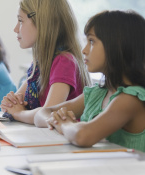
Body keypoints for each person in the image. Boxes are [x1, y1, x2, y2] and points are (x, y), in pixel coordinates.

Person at [35, 10, 145, 152]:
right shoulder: (97, 93)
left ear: (117, 46)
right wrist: (57, 120)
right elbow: (41, 114)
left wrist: (65, 124)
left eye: (91, 41)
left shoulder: (130, 99)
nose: (84, 50)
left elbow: (82, 135)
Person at [0, 0, 91, 123]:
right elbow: (13, 105)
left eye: (21, 21)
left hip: (62, 139)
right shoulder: (39, 64)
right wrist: (12, 104)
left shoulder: (64, 61)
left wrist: (18, 113)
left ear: (43, 23)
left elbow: (47, 115)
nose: (15, 29)